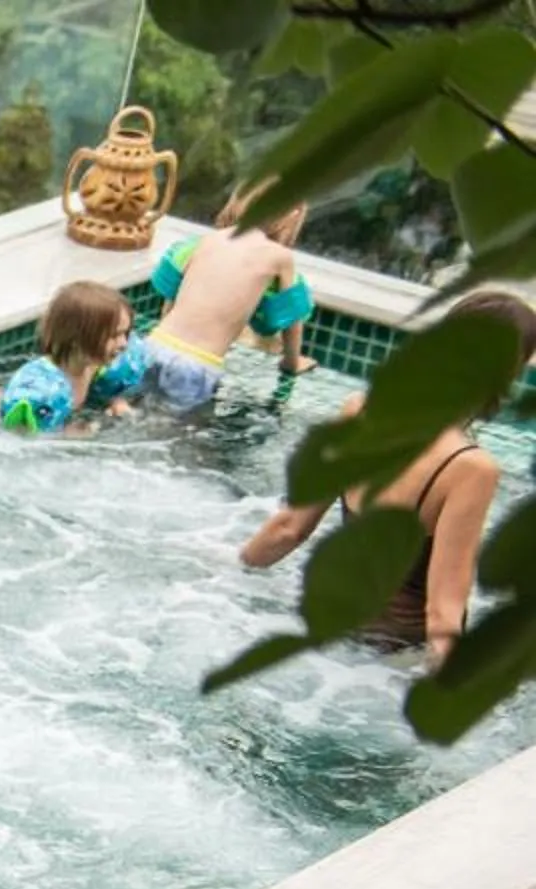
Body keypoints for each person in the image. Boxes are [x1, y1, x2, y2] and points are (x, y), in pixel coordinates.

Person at [239, 289, 536, 666]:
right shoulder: (471, 468)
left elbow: (288, 529)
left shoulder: (360, 409)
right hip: (390, 660)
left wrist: (229, 577)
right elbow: (443, 615)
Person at [143, 188, 315, 415]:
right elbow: (292, 316)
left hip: (155, 345)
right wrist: (291, 363)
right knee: (181, 431)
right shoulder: (279, 257)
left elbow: (173, 297)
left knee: (136, 409)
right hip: (198, 364)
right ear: (292, 216)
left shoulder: (208, 240)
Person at [0, 281, 148, 435]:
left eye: (125, 333)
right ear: (76, 338)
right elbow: (23, 439)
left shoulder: (103, 368)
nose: (123, 343)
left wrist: (117, 401)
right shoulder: (41, 391)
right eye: (113, 336)